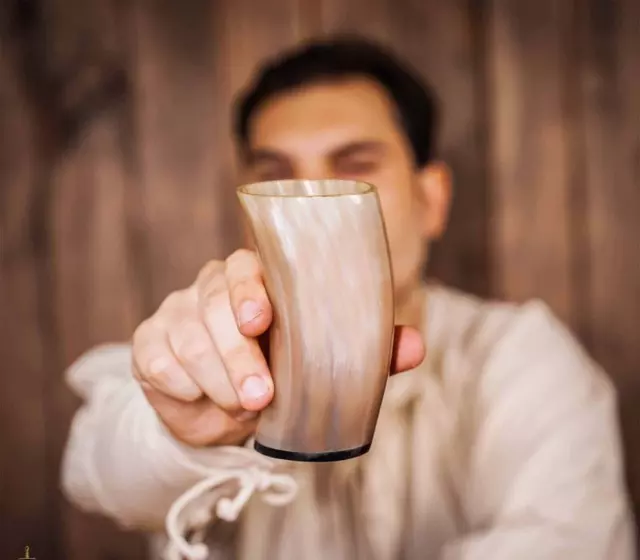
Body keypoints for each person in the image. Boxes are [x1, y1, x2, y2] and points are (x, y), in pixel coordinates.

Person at [61, 36, 636, 560]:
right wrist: (180, 432)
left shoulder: (517, 357)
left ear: (430, 200)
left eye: (355, 168)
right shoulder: (200, 352)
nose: (312, 207)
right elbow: (98, 467)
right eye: (278, 177)